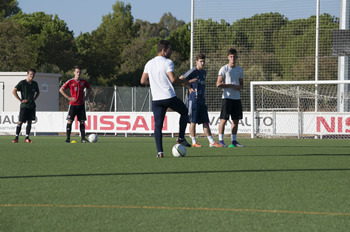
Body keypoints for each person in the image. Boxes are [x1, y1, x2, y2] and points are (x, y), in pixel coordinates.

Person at [140, 40, 193, 158]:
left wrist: (155, 83)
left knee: (158, 126)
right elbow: (173, 79)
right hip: (168, 97)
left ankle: (160, 152)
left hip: (156, 100)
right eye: (170, 49)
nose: (172, 51)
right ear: (163, 50)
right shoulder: (168, 62)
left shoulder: (149, 63)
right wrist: (186, 81)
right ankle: (180, 138)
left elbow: (143, 81)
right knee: (184, 112)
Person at [180, 54, 223, 147]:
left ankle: (211, 142)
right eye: (201, 61)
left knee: (205, 121)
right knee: (193, 122)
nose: (202, 63)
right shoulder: (192, 71)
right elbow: (180, 79)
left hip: (202, 100)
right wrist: (189, 86)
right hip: (193, 100)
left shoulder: (204, 72)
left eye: (203, 61)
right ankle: (194, 141)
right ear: (196, 61)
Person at [216, 48, 245, 147]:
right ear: (228, 57)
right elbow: (218, 84)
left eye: (234, 56)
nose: (233, 58)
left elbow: (242, 85)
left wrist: (238, 87)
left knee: (235, 120)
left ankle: (234, 141)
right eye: (231, 56)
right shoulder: (224, 69)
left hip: (236, 98)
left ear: (237, 57)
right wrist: (231, 85)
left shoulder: (239, 69)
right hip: (226, 98)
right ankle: (220, 140)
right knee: (223, 119)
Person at [59, 65, 91, 143]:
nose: (78, 74)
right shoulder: (70, 81)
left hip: (81, 105)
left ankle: (83, 139)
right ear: (74, 72)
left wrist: (86, 96)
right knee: (70, 121)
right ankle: (68, 139)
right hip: (73, 105)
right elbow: (61, 89)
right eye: (77, 72)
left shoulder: (83, 82)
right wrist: (68, 97)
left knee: (82, 121)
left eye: (79, 72)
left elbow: (90, 88)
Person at [12, 68, 40, 143]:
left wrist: (35, 98)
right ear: (27, 74)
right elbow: (14, 91)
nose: (32, 76)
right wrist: (21, 100)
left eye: (33, 74)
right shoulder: (22, 83)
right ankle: (16, 138)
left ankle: (27, 138)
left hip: (32, 106)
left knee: (29, 121)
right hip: (24, 106)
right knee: (20, 121)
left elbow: (38, 92)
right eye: (31, 74)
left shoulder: (35, 84)